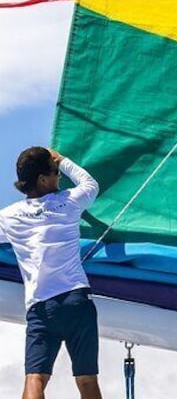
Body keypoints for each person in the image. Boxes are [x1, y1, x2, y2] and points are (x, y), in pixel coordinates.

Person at [0, 147, 102, 399]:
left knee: (35, 377)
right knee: (87, 379)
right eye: (55, 172)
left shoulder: (8, 217)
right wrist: (64, 159)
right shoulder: (68, 201)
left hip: (41, 308)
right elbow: (91, 184)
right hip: (77, 301)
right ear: (43, 180)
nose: (59, 177)